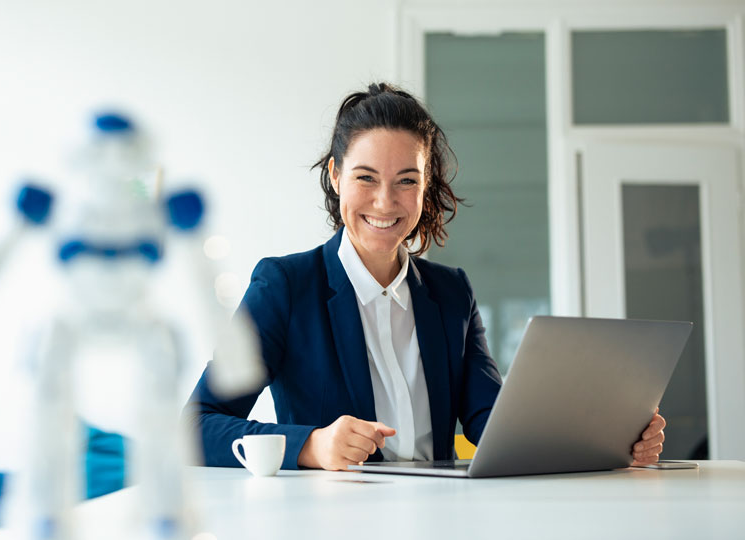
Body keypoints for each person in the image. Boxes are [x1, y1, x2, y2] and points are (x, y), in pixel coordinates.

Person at [184, 82, 666, 471]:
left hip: (442, 517)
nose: (384, 201)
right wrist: (310, 445)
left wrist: (608, 438)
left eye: (407, 180)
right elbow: (197, 425)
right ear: (335, 176)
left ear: (426, 185)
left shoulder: (451, 292)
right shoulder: (284, 286)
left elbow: (490, 420)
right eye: (365, 177)